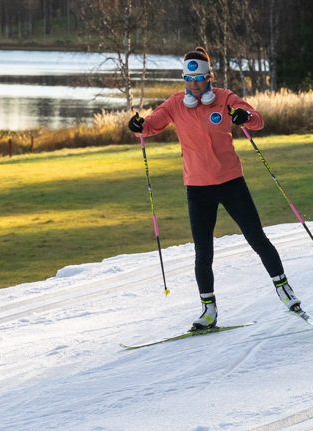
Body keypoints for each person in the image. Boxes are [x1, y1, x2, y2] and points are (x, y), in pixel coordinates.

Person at [128, 46, 301, 330]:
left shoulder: (224, 99)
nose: (195, 86)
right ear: (184, 79)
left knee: (257, 238)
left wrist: (245, 117)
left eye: (199, 79)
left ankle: (284, 290)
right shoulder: (174, 104)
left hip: (231, 181)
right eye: (189, 80)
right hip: (198, 188)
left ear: (209, 77)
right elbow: (148, 127)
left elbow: (256, 119)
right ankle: (208, 310)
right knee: (203, 251)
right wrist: (136, 125)